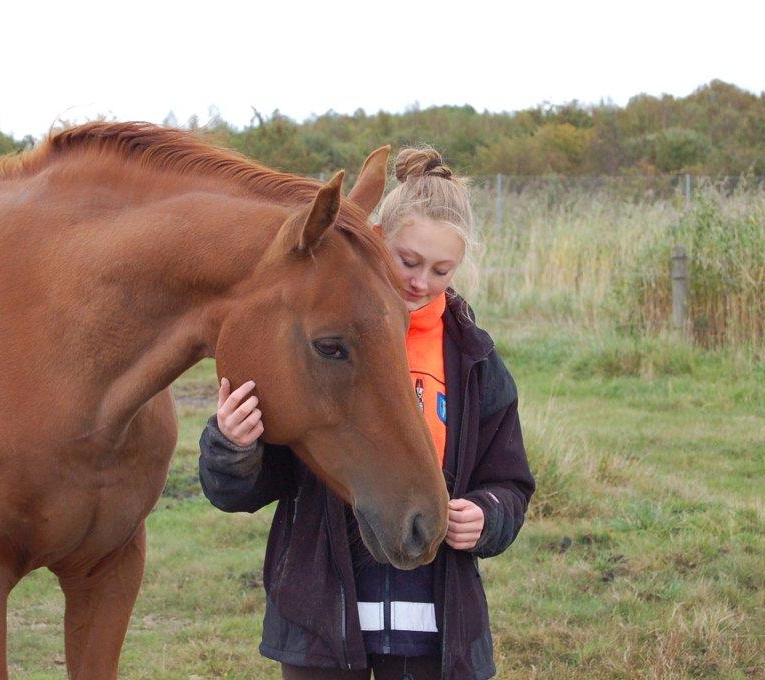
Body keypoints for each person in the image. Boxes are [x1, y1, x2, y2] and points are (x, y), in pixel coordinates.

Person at [198, 147, 535, 680]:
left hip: (437, 624)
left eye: (441, 269)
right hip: (322, 628)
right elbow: (249, 488)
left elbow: (510, 481)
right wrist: (234, 446)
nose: (421, 281)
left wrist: (488, 514)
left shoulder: (474, 363)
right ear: (376, 238)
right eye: (408, 260)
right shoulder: (327, 346)